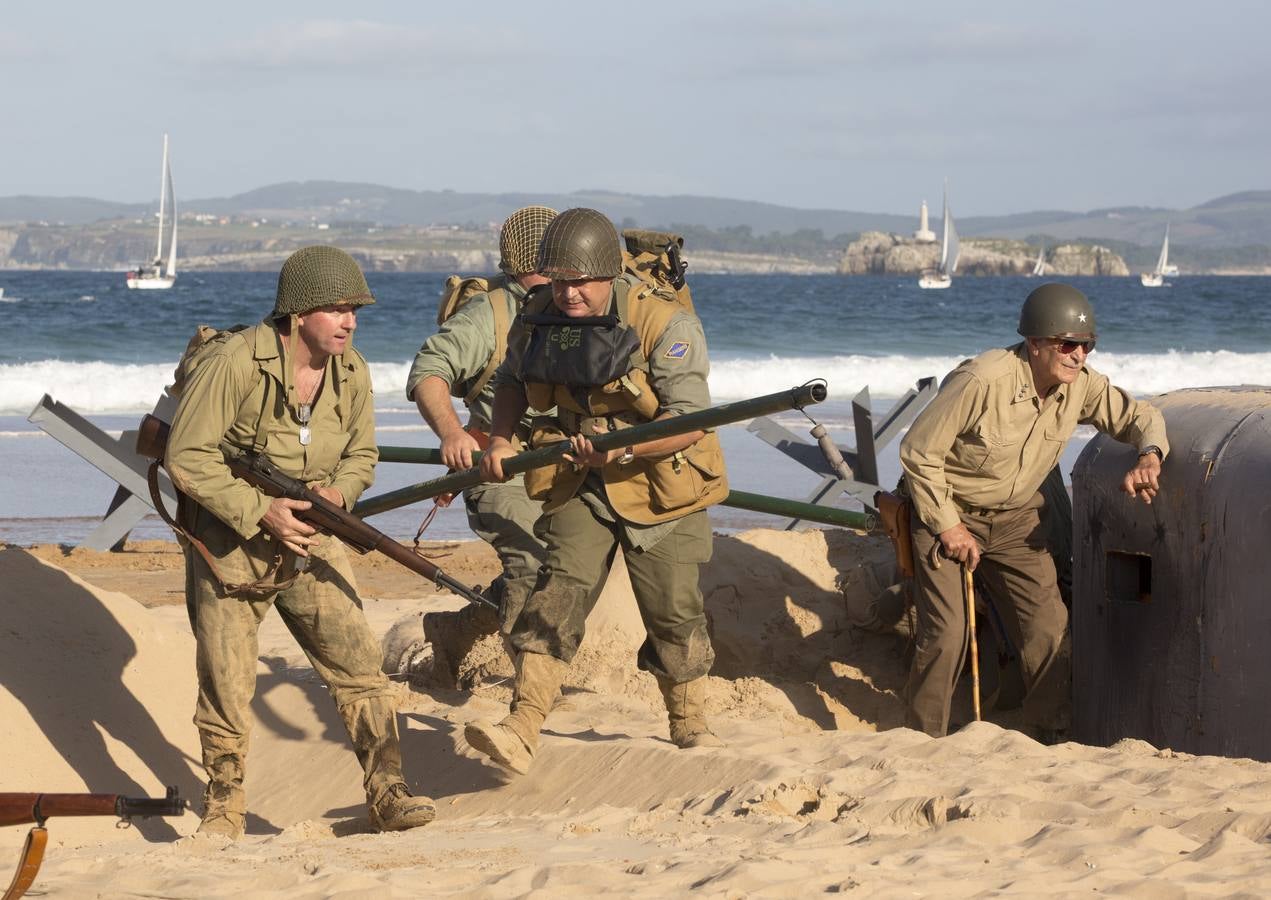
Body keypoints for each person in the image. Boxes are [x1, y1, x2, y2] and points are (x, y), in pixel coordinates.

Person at [165, 245, 436, 838]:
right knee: (228, 680)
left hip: (315, 538)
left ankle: (388, 792)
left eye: (354, 310)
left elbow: (363, 454)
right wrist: (260, 509)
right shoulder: (235, 363)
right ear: (298, 313)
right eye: (337, 309)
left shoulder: (352, 370)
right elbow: (185, 457)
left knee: (360, 668)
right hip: (232, 543)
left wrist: (338, 493)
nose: (350, 322)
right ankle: (225, 808)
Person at [465, 207, 729, 775]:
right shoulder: (537, 315)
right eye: (558, 281)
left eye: (580, 282)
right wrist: (500, 439)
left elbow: (691, 420)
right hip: (581, 474)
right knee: (558, 589)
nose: (567, 294)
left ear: (609, 274)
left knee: (673, 610)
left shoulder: (665, 324)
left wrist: (626, 448)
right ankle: (523, 723)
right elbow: (511, 379)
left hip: (663, 483)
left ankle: (690, 724)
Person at [898, 282, 1169, 739]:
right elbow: (918, 451)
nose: (1078, 355)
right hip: (945, 508)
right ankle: (922, 743)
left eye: (1086, 345)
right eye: (1067, 344)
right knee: (948, 636)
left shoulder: (1081, 386)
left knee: (1050, 631)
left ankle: (1044, 739)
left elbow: (1140, 417)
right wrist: (949, 527)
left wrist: (1150, 455)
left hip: (1016, 522)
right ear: (1036, 343)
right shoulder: (983, 380)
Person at [401, 206, 557, 688]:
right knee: (531, 564)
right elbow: (429, 370)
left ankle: (456, 630)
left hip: (564, 463)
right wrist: (452, 433)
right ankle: (535, 691)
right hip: (499, 466)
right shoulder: (489, 314)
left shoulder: (578, 306)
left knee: (574, 565)